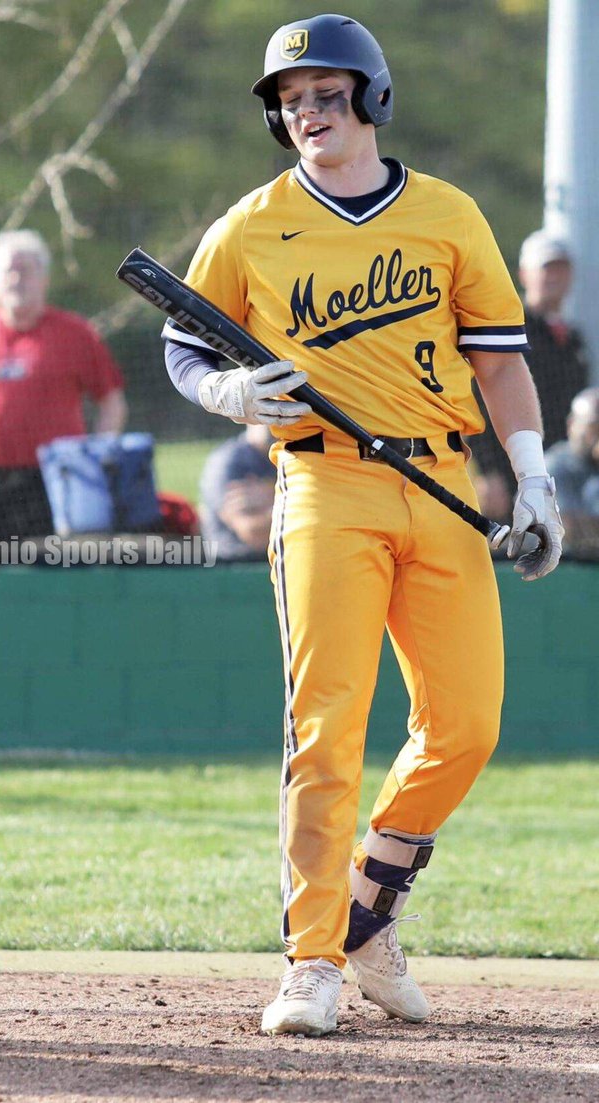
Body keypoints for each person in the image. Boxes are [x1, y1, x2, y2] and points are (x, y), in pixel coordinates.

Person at [162, 14, 563, 1038]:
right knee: (326, 731)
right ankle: (312, 958)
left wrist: (533, 474)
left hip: (439, 481)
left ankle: (366, 903)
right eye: (291, 101)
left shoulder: (446, 213)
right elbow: (183, 341)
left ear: (372, 100)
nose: (307, 113)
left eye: (325, 95)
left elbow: (500, 358)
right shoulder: (250, 223)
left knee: (467, 724)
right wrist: (234, 396)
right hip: (324, 488)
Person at [0, 229, 127, 547]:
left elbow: (112, 402)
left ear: (44, 278)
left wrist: (95, 459)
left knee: (54, 580)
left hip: (58, 481)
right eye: (7, 270)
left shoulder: (75, 333)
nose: (16, 279)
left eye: (26, 270)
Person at [470, 230, 591, 518]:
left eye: (560, 268)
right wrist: (488, 472)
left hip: (558, 477)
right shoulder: (508, 328)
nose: (554, 277)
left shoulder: (573, 340)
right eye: (546, 268)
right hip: (510, 468)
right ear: (524, 274)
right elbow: (479, 395)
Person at [199, 423, 275, 560]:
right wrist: (291, 505)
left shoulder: (294, 455)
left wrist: (274, 500)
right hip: (233, 564)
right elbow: (252, 533)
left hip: (283, 558)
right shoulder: (228, 460)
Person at [546, 387, 599, 557]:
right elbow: (569, 530)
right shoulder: (554, 465)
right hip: (562, 572)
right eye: (593, 426)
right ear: (572, 425)